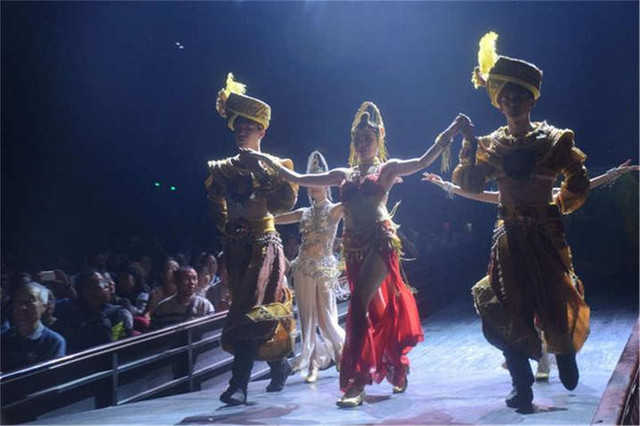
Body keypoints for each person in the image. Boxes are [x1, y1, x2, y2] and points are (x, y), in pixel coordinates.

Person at [244, 101, 459, 407]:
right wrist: (264, 157)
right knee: (374, 309)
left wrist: (450, 131)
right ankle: (397, 363)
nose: (362, 144)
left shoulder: (387, 168)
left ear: (379, 139)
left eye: (368, 138)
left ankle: (356, 382)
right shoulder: (342, 173)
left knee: (357, 305)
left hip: (381, 241)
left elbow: (424, 160)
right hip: (353, 246)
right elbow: (300, 179)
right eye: (358, 139)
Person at [450, 32, 591, 410]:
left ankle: (565, 351)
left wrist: (559, 204)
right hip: (508, 237)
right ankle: (521, 384)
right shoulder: (491, 145)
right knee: (506, 307)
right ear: (498, 102)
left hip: (545, 235)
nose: (512, 101)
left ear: (532, 99)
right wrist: (468, 141)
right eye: (506, 96)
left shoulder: (553, 140)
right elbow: (470, 182)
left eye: (520, 95)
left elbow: (577, 178)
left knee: (556, 298)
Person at [206, 73, 299, 405]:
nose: (242, 132)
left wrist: (262, 169)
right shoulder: (223, 168)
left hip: (264, 246)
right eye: (238, 127)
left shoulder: (275, 165)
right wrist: (228, 229)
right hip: (236, 248)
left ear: (262, 131)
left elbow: (283, 203)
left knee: (249, 308)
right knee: (254, 308)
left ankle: (239, 384)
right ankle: (279, 362)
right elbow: (215, 200)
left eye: (249, 127)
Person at [274, 151, 346, 384]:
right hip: (303, 268)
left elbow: (360, 201)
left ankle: (342, 353)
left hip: (324, 269)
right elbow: (274, 218)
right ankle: (313, 363)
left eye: (318, 181)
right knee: (307, 319)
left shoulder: (335, 209)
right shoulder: (303, 213)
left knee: (326, 318)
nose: (314, 186)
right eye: (311, 181)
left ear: (326, 184)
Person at [53, 269, 133, 353]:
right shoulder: (70, 316)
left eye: (105, 283)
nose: (107, 287)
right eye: (100, 283)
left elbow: (120, 346)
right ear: (84, 290)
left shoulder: (120, 314)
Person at [1, 282, 66, 372]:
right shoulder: (3, 338)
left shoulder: (54, 342)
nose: (23, 307)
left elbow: (54, 375)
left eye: (30, 301)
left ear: (44, 306)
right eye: (19, 302)